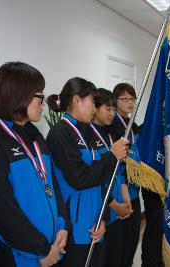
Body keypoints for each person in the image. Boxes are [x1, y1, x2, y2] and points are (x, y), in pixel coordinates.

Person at [0, 62, 70, 267]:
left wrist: (63, 226)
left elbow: (52, 185)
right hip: (16, 256)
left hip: (50, 248)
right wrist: (42, 249)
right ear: (18, 95)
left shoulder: (35, 136)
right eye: (39, 95)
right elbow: (0, 211)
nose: (43, 102)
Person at [46, 78, 129, 267]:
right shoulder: (60, 134)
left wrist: (104, 218)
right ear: (76, 101)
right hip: (74, 230)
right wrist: (111, 156)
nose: (94, 108)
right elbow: (79, 177)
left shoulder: (87, 131)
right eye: (92, 101)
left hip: (95, 224)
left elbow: (99, 181)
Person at [90, 88, 133, 267]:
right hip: (104, 208)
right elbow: (94, 178)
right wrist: (115, 205)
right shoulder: (88, 137)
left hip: (116, 208)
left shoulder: (109, 134)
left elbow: (119, 170)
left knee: (119, 257)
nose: (112, 113)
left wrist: (126, 199)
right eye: (108, 109)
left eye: (114, 109)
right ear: (95, 108)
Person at [105, 83, 141, 267]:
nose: (129, 102)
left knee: (132, 239)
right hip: (122, 188)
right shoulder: (112, 127)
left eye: (132, 98)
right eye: (124, 99)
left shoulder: (131, 123)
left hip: (134, 187)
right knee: (122, 243)